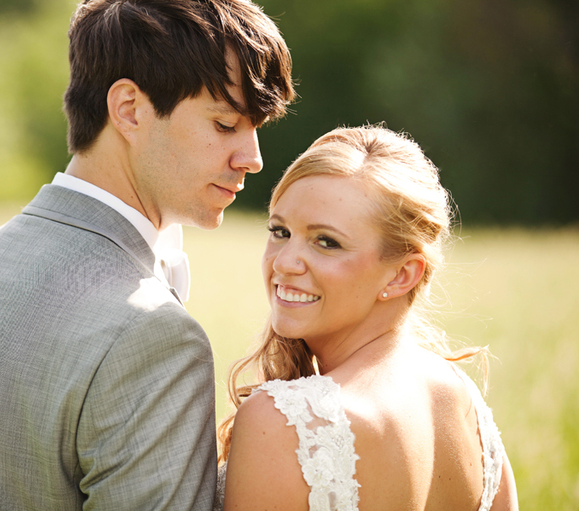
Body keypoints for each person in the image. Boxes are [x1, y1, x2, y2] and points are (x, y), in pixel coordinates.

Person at [0, 0, 294, 509]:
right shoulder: (152, 335)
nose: (254, 158)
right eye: (225, 124)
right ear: (129, 109)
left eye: (256, 128)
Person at [214, 125, 518, 511]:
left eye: (327, 242)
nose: (284, 262)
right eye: (280, 231)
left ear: (401, 275)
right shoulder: (462, 399)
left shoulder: (284, 421)